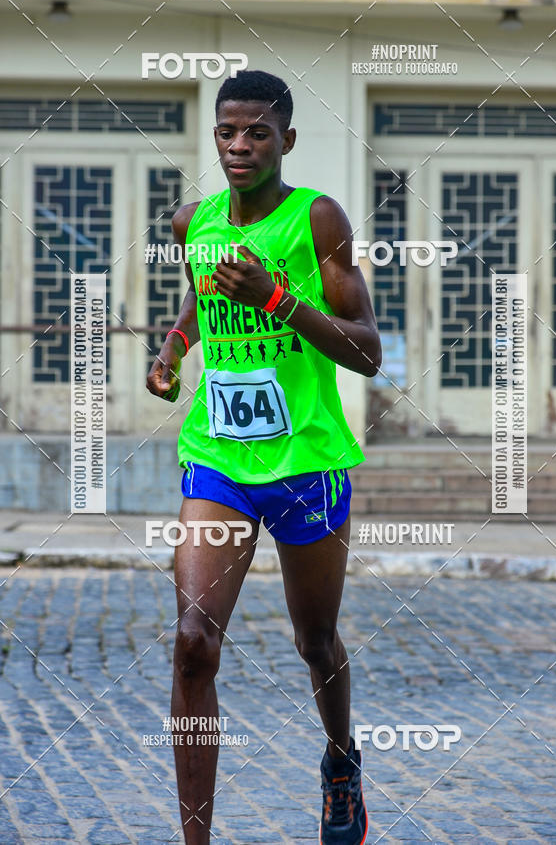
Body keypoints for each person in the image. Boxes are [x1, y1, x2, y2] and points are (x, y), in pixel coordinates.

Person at [147, 69, 381, 845]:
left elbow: (369, 353)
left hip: (305, 463)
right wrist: (176, 347)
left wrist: (278, 301)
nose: (239, 146)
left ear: (286, 139)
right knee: (191, 641)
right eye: (227, 132)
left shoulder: (318, 220)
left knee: (315, 641)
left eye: (256, 132)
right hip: (218, 459)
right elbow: (199, 296)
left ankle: (341, 760)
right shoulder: (194, 222)